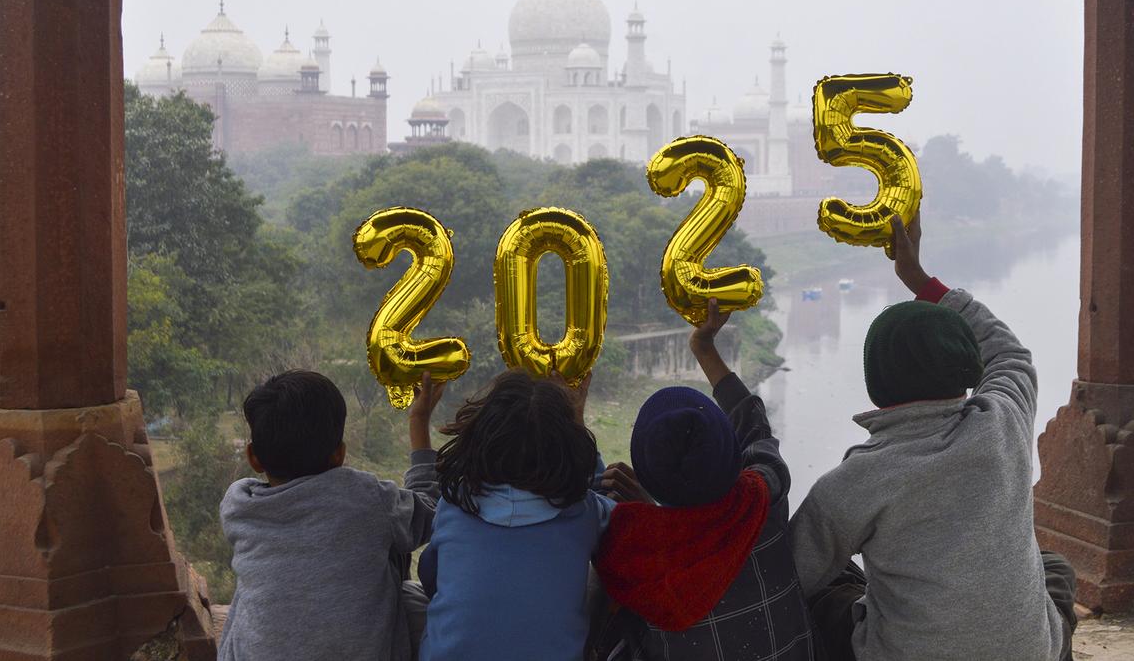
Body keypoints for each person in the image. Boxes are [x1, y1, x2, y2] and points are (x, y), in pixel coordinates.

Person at [789, 214, 1078, 661]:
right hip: (1029, 651)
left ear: (876, 384)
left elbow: (791, 575)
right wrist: (919, 279)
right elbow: (1010, 353)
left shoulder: (853, 481)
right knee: (1054, 568)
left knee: (835, 590)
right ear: (966, 369)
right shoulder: (1002, 421)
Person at [589, 297, 815, 661]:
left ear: (650, 479)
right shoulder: (764, 500)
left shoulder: (634, 558)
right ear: (730, 453)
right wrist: (704, 346)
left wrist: (648, 512)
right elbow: (755, 427)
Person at [218, 370, 446, 661]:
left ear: (253, 457)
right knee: (404, 581)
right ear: (339, 454)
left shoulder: (239, 505)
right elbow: (431, 510)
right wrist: (419, 421)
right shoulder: (366, 498)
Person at [417, 370, 614, 661]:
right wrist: (577, 421)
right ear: (567, 448)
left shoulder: (456, 503)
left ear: (479, 439)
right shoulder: (582, 512)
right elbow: (611, 506)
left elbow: (430, 577)